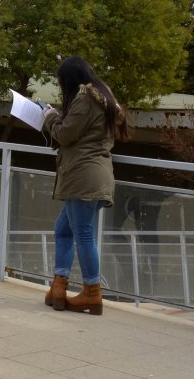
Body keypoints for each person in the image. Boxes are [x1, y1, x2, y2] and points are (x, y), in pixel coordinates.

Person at [40, 56, 127, 316]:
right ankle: (59, 285)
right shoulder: (103, 95)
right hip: (93, 175)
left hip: (83, 177)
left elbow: (66, 133)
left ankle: (92, 292)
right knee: (63, 230)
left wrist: (50, 116)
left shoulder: (85, 99)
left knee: (84, 235)